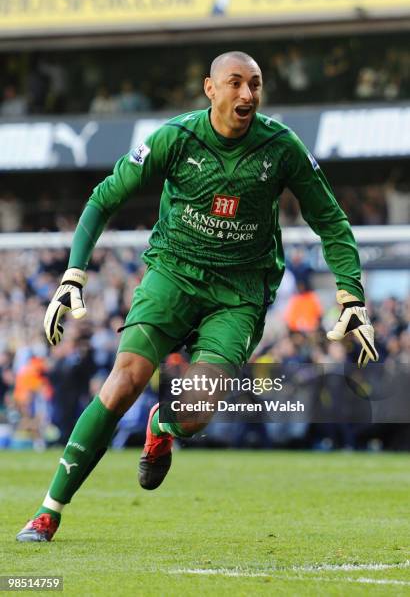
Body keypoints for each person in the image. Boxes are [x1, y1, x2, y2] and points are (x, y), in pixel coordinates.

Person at [16, 51, 378, 542]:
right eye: (236, 83)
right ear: (210, 89)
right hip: (174, 274)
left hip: (240, 290)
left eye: (255, 84)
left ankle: (163, 423)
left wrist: (351, 295)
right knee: (123, 382)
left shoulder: (281, 147)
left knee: (196, 409)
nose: (247, 94)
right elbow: (104, 197)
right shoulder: (175, 138)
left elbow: (331, 221)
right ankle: (48, 510)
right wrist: (73, 273)